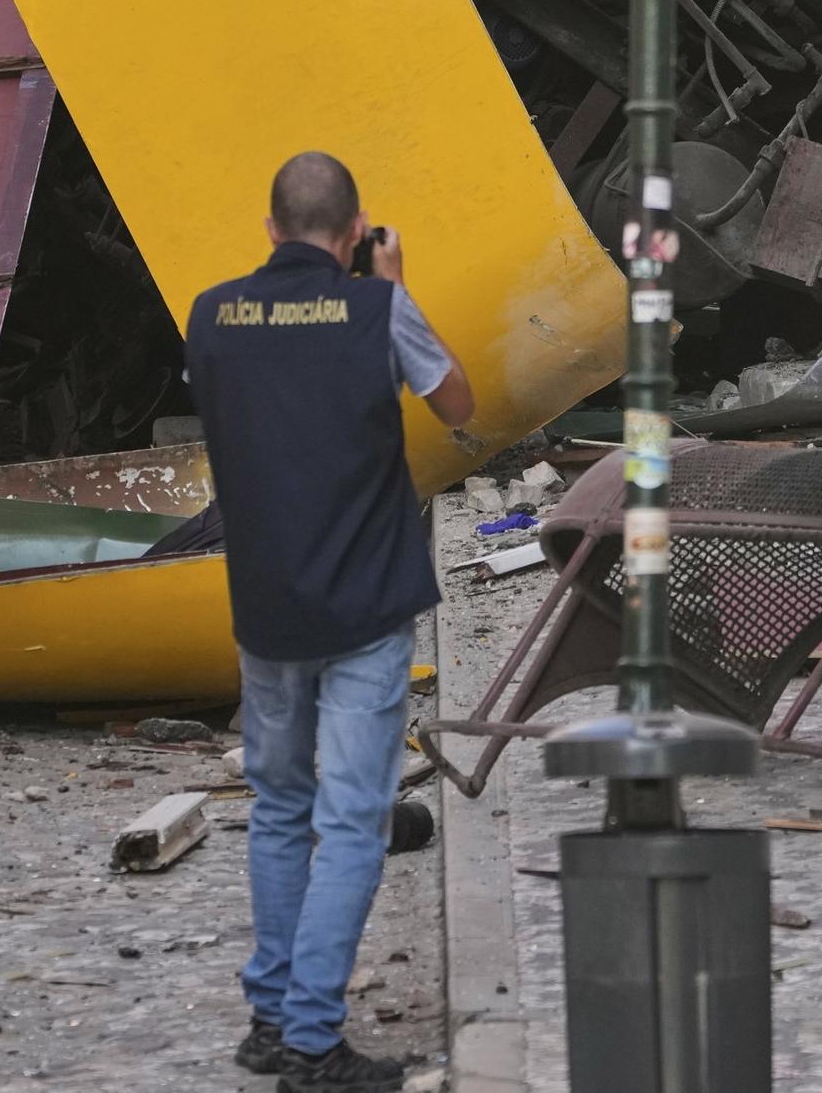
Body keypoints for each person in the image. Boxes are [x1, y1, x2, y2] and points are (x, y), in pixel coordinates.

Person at [186, 151, 474, 1092]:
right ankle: (311, 1040)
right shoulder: (377, 310)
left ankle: (270, 1017)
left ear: (270, 231)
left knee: (278, 811)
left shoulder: (212, 315)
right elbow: (458, 404)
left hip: (267, 606)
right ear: (354, 236)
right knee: (352, 819)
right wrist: (391, 291)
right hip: (366, 602)